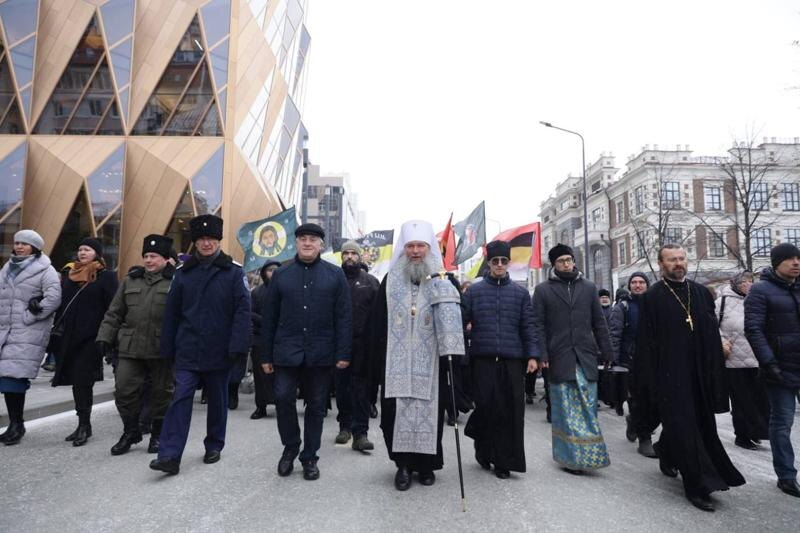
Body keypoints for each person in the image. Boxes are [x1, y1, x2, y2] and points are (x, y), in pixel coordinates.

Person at [636, 244, 745, 511]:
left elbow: (710, 332)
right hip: (669, 374)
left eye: (682, 258)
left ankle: (666, 451)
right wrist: (649, 381)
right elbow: (646, 343)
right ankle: (697, 486)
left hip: (699, 372)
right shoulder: (652, 297)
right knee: (684, 425)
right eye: (672, 259)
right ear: (661, 264)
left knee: (701, 423)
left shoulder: (701, 293)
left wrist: (717, 360)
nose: (678, 263)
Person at [368, 220, 466, 491]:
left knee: (430, 413)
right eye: (410, 246)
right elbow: (377, 322)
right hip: (395, 363)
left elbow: (459, 316)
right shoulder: (390, 281)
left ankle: (426, 465)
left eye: (420, 246)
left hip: (432, 363)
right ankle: (402, 466)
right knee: (393, 415)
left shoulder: (444, 279)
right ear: (404, 248)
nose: (415, 251)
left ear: (429, 248)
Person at [149, 214, 250, 475]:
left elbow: (242, 312)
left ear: (218, 241)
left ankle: (214, 444)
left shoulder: (233, 272)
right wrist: (167, 348)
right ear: (195, 242)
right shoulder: (183, 274)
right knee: (180, 399)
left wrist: (238, 347)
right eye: (202, 239)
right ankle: (169, 455)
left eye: (211, 239)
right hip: (188, 348)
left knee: (217, 399)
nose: (206, 243)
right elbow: (172, 313)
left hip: (220, 349)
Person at [261, 223, 352, 481]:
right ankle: (290, 447)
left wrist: (343, 353)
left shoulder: (335, 275)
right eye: (303, 239)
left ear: (321, 244)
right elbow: (269, 317)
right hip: (286, 351)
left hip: (321, 352)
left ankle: (310, 456)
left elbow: (344, 317)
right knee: (282, 398)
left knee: (316, 406)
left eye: (313, 239)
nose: (308, 243)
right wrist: (265, 355)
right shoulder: (282, 275)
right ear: (296, 243)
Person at [532, 243, 612, 474]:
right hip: (559, 356)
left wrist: (607, 351)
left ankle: (590, 455)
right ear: (554, 265)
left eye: (569, 259)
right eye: (561, 261)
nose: (566, 264)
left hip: (585, 356)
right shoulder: (543, 290)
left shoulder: (588, 287)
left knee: (587, 407)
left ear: (574, 261)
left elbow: (599, 322)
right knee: (565, 411)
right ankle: (570, 459)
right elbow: (538, 325)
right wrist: (542, 354)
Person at [462, 240, 538, 479]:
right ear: (489, 263)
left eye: (503, 261)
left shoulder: (520, 294)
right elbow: (460, 322)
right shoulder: (474, 292)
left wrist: (532, 355)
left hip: (511, 360)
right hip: (482, 360)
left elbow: (528, 327)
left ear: (508, 263)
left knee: (508, 411)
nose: (499, 265)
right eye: (495, 261)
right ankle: (483, 448)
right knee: (485, 407)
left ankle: (503, 461)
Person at [96, 235, 176, 455]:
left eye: (154, 256)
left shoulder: (176, 281)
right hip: (130, 347)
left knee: (162, 393)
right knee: (123, 391)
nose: (149, 260)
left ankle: (157, 435)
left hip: (162, 348)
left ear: (165, 259)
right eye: (146, 256)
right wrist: (104, 337)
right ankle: (131, 431)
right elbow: (114, 312)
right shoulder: (131, 280)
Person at [744, 243, 800, 498]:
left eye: (798, 258)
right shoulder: (760, 290)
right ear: (777, 263)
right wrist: (769, 362)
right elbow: (753, 329)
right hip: (779, 369)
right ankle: (786, 476)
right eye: (790, 259)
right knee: (782, 422)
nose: (796, 263)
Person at [51, 237, 118, 446]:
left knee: (83, 380)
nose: (82, 253)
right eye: (80, 249)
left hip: (92, 338)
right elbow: (61, 305)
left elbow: (113, 308)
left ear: (97, 254)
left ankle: (84, 425)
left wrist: (108, 338)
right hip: (69, 337)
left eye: (87, 249)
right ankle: (83, 423)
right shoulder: (69, 275)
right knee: (75, 381)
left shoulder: (106, 277)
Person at [0, 230, 61, 445]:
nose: (19, 247)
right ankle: (15, 423)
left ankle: (17, 424)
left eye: (24, 244)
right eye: (17, 243)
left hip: (27, 331)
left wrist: (31, 314)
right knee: (6, 378)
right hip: (5, 331)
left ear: (34, 247)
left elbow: (54, 298)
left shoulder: (46, 269)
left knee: (14, 377)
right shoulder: (7, 267)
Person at [334, 240, 380, 452]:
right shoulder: (334, 279)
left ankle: (361, 433)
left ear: (360, 256)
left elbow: (379, 313)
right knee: (342, 387)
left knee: (361, 389)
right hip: (338, 344)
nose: (350, 256)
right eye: (346, 253)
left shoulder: (371, 282)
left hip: (364, 345)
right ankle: (344, 427)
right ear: (342, 257)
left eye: (354, 253)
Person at [716, 271, 769, 451]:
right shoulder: (722, 302)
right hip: (733, 362)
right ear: (735, 283)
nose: (748, 284)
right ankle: (742, 436)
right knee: (741, 400)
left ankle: (756, 432)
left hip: (757, 360)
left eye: (750, 280)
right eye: (744, 281)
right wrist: (722, 342)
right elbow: (712, 327)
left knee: (759, 399)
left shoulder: (758, 300)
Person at [608, 271, 659, 457]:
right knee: (637, 400)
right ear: (629, 286)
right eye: (634, 282)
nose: (638, 285)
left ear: (647, 285)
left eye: (641, 282)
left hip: (654, 359)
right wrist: (614, 359)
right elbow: (614, 334)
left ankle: (634, 422)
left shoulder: (655, 304)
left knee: (656, 400)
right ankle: (645, 439)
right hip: (630, 360)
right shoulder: (623, 307)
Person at [249, 260, 280, 420]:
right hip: (260, 337)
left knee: (281, 374)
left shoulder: (286, 290)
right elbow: (250, 312)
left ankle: (281, 404)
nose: (273, 273)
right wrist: (266, 321)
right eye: (270, 270)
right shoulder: (256, 292)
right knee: (260, 374)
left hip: (281, 338)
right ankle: (260, 406)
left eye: (276, 270)